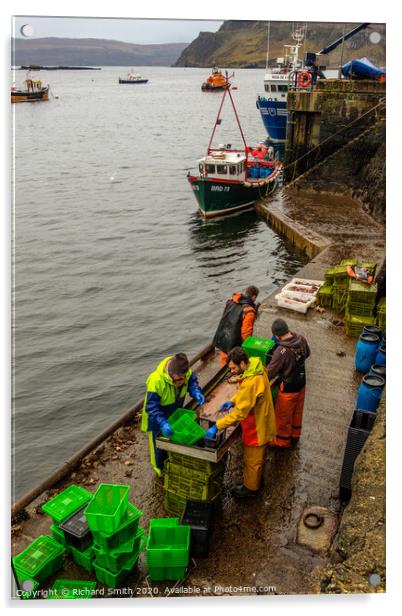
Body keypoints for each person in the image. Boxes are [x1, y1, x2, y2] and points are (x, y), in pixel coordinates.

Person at [205, 347, 276, 498]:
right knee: (259, 457)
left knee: (252, 459)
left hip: (256, 426)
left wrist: (217, 426)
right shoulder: (256, 367)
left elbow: (239, 414)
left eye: (233, 368)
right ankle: (257, 478)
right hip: (263, 417)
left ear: (243, 364)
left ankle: (251, 489)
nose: (232, 371)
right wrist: (233, 401)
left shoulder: (251, 383)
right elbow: (247, 396)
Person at [141, 353, 206, 476]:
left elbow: (192, 383)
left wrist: (196, 392)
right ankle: (160, 472)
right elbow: (151, 407)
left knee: (174, 441)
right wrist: (163, 423)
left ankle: (172, 462)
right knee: (158, 448)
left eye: (183, 379)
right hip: (156, 419)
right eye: (178, 380)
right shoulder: (155, 381)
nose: (181, 382)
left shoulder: (185, 373)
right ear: (171, 374)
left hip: (174, 412)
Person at [266, 318, 310, 448]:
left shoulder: (281, 351)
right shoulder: (301, 339)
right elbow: (307, 354)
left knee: (282, 417)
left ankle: (281, 442)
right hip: (301, 383)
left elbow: (270, 372)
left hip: (288, 388)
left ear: (276, 335)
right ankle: (295, 434)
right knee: (297, 412)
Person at [213, 285, 260, 367]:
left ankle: (224, 368)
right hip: (234, 340)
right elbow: (246, 332)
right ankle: (230, 370)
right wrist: (245, 347)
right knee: (234, 361)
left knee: (224, 356)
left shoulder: (231, 301)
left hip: (223, 334)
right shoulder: (249, 311)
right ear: (254, 297)